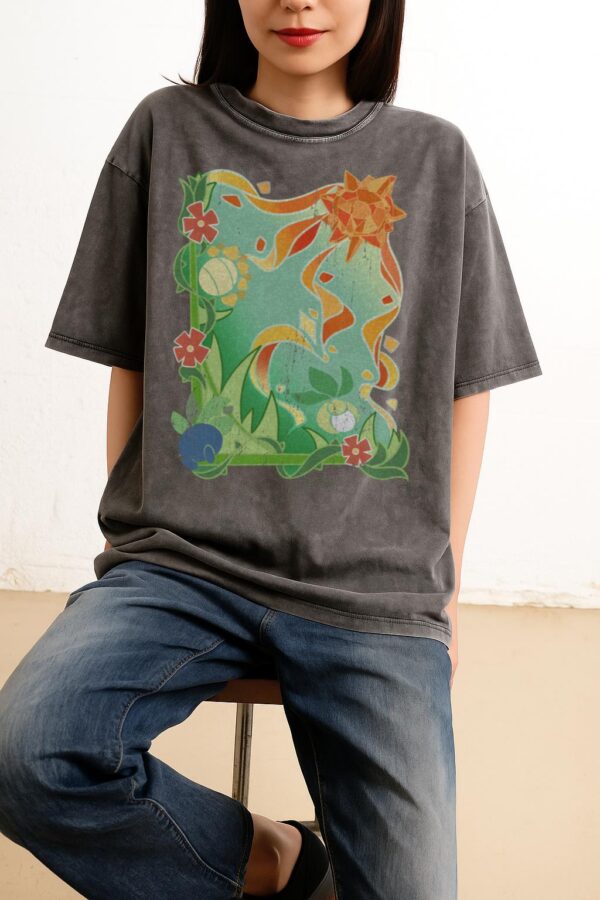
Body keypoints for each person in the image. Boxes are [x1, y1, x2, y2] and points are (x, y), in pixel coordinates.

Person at [0, 1, 543, 898]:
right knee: (27, 754)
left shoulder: (435, 157)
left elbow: (465, 388)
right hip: (181, 567)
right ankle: (277, 860)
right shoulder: (166, 132)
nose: (297, 1)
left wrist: (442, 590)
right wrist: (130, 543)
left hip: (373, 591)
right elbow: (135, 361)